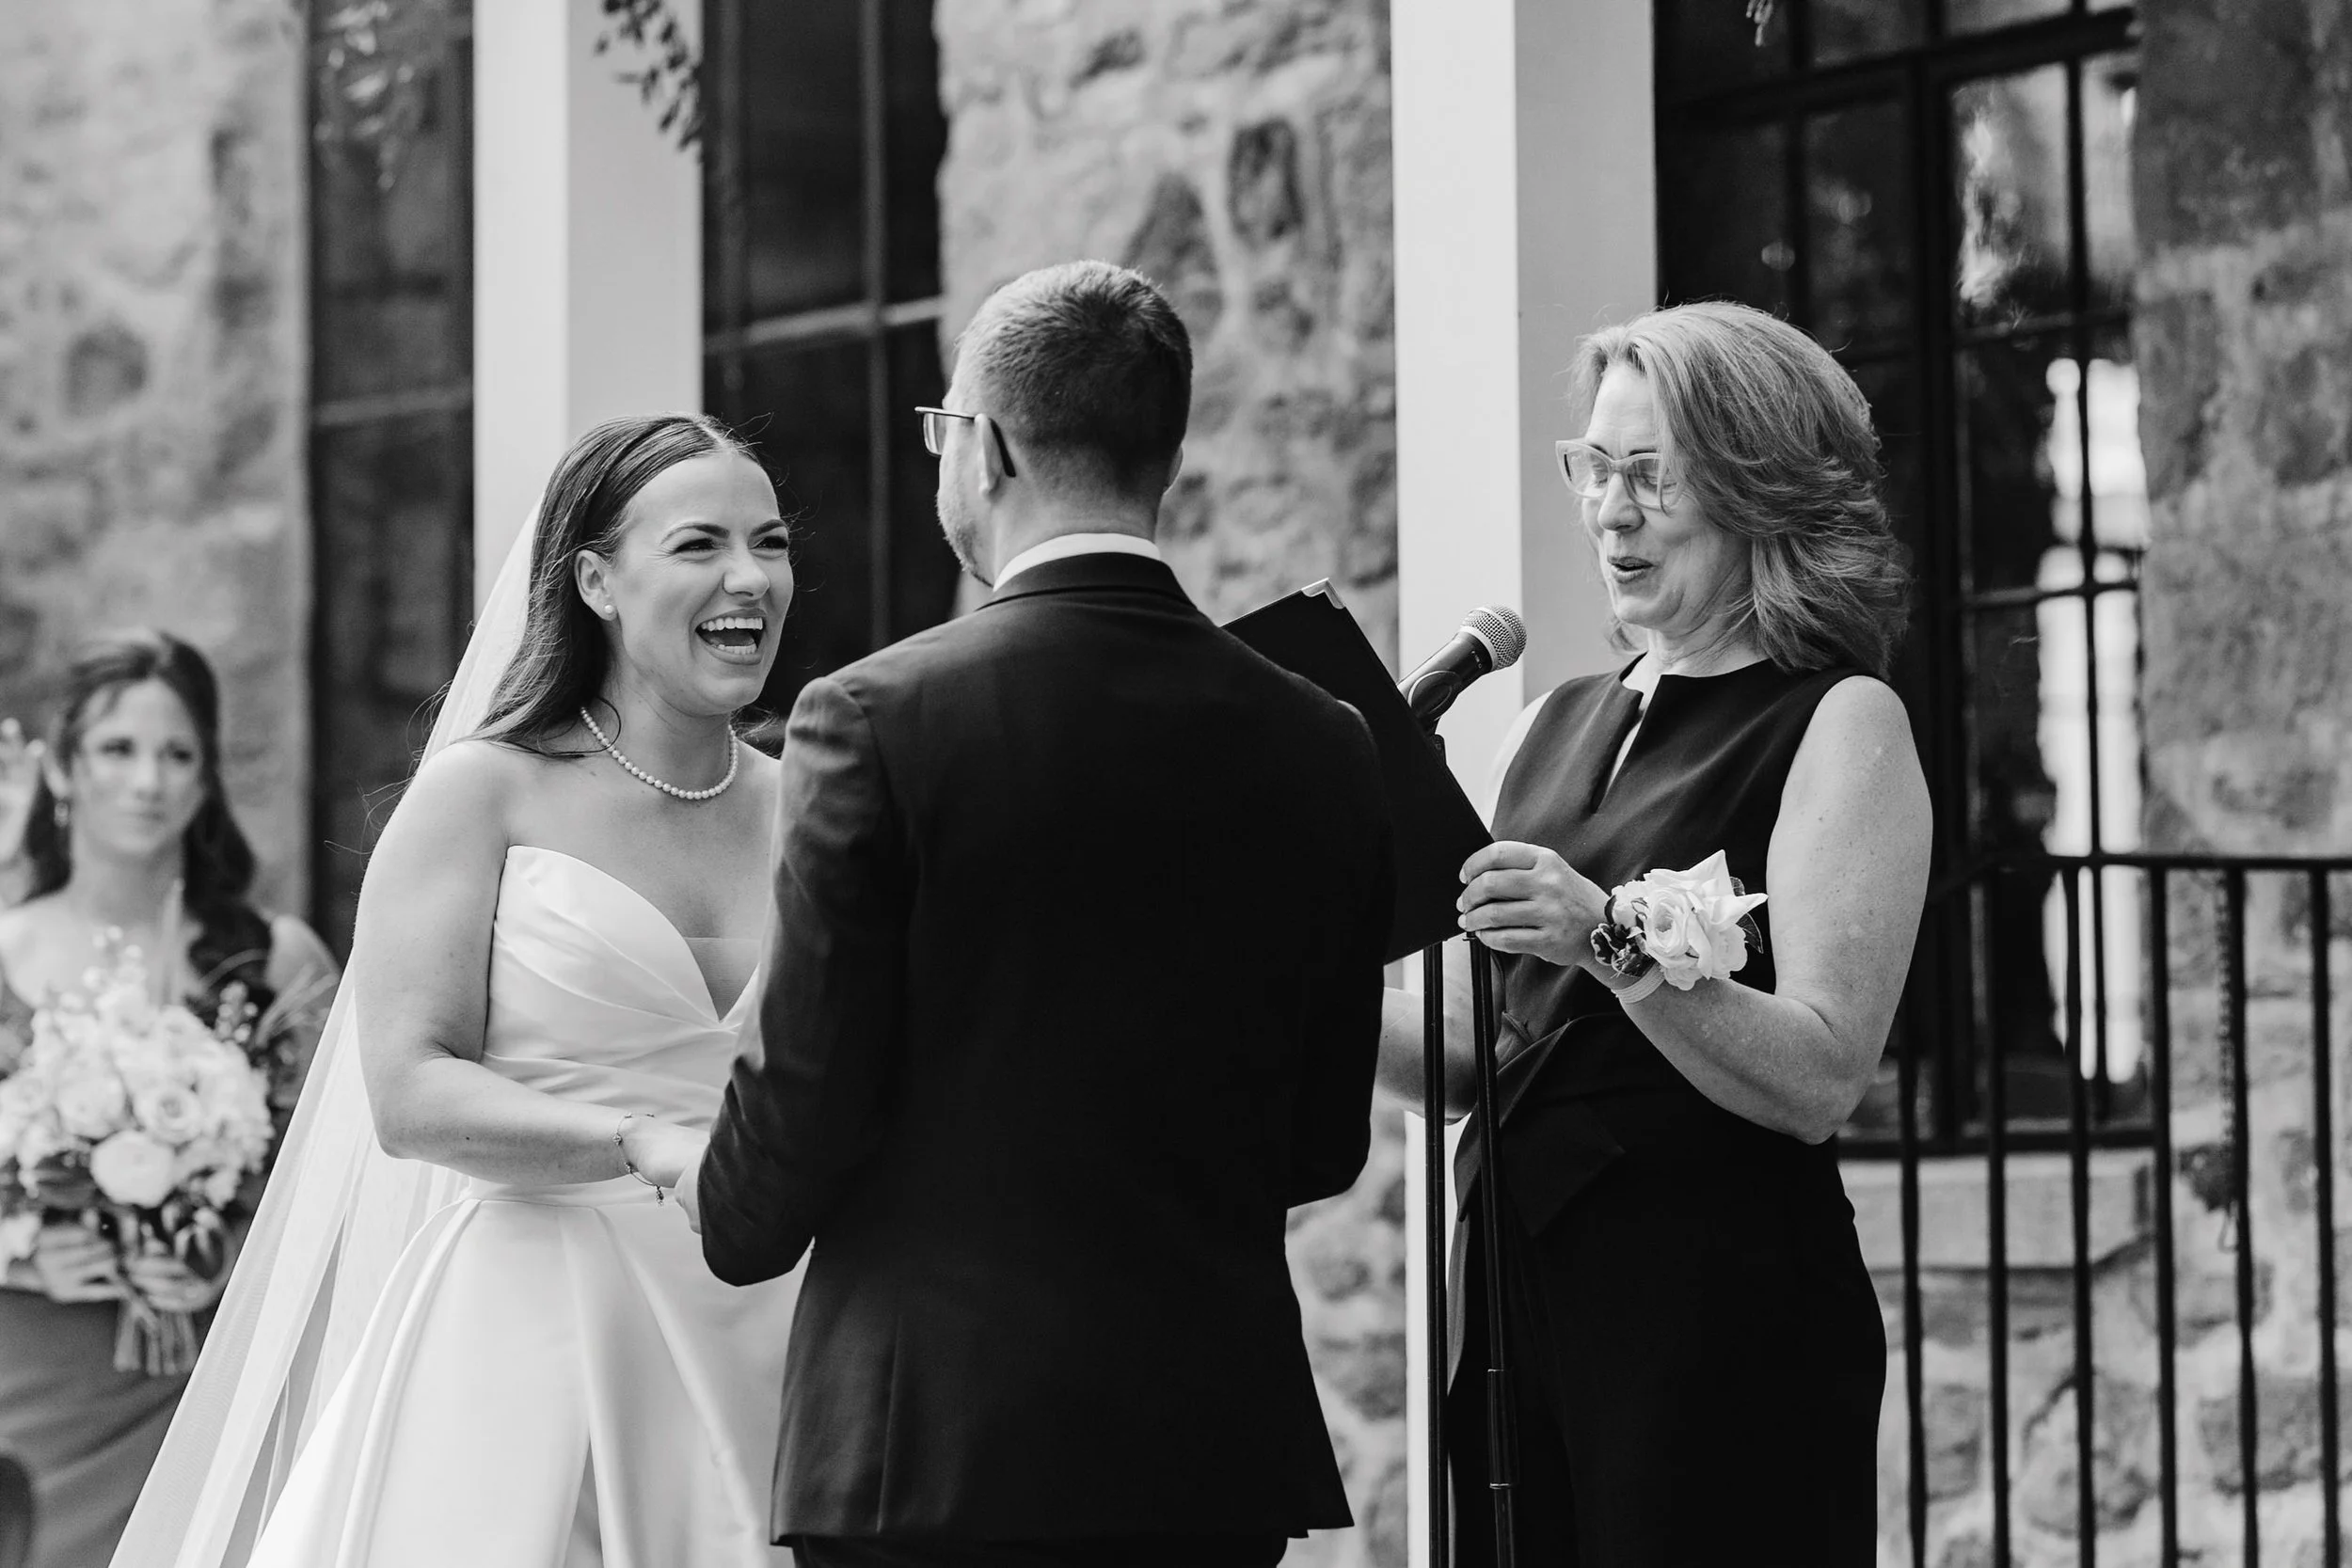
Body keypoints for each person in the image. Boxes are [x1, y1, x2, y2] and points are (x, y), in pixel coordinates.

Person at [677, 260, 1395, 1568]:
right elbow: (1318, 1142)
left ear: (989, 446)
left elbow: (805, 1091)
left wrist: (721, 1201)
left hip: (933, 1450)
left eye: (945, 428)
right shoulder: (1329, 740)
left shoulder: (874, 717)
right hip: (1207, 1452)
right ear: (1163, 458)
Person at [112, 413, 803, 1568]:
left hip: (771, 1328)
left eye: (770, 540)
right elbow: (409, 1089)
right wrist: (640, 1141)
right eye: (699, 545)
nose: (750, 577)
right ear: (595, 579)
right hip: (535, 1330)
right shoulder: (482, 793)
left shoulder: (814, 805)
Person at [1384, 300, 1931, 1565]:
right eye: (1594, 468)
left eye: (1649, 477)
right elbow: (1476, 1056)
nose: (1607, 511)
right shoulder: (1554, 721)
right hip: (1523, 1288)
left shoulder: (1839, 723)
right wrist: (1301, 966)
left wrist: (1609, 943)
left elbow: (1820, 1072)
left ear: (1756, 490)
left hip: (1716, 1308)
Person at [0, 632, 339, 1568]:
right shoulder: (2, 951)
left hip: (210, 1379)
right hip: (33, 1383)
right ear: (62, 769)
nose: (149, 779)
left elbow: (342, 1192)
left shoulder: (279, 962)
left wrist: (227, 1258)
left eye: (177, 753)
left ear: (204, 782)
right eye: (117, 749)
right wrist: (24, 1251)